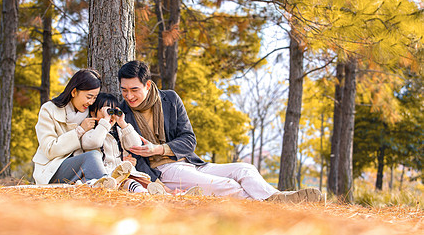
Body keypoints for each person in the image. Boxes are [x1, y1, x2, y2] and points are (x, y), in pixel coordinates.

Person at [118, 60, 322, 203]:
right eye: (124, 90)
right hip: (164, 171)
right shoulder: (122, 114)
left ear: (147, 85)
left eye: (134, 89)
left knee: (245, 169)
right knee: (223, 185)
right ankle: (279, 203)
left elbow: (189, 140)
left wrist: (159, 149)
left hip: (191, 162)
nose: (129, 96)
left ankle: (277, 199)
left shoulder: (169, 99)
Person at [32, 69, 116, 188]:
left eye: (94, 98)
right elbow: (50, 149)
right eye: (89, 97)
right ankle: (105, 186)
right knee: (92, 156)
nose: (91, 102)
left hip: (82, 170)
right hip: (53, 169)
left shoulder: (91, 113)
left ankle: (104, 183)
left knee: (94, 157)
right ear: (74, 92)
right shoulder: (49, 110)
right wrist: (79, 131)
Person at [81, 92, 169, 194]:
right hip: (107, 176)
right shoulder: (91, 133)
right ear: (92, 113)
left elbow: (136, 144)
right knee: (129, 182)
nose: (110, 116)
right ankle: (143, 193)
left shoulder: (119, 132)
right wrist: (105, 121)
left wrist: (122, 123)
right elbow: (94, 142)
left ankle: (166, 194)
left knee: (145, 182)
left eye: (112, 111)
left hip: (127, 173)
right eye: (106, 111)